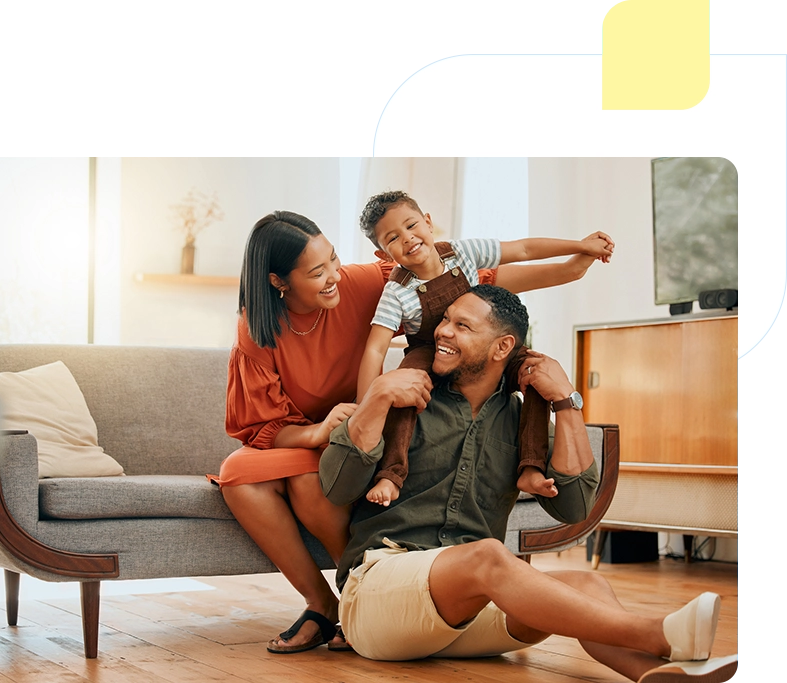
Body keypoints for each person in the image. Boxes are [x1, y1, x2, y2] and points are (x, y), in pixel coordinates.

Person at [214, 210, 616, 655]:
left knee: (587, 586)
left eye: (334, 260)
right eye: (317, 272)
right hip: (334, 430)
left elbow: (467, 282)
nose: (333, 277)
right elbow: (261, 426)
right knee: (243, 473)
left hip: (369, 431)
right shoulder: (258, 330)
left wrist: (571, 268)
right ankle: (328, 601)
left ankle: (667, 656)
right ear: (278, 282)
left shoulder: (366, 283)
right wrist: (345, 418)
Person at [319, 284, 738, 683]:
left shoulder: (525, 426)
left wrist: (566, 402)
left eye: (462, 326)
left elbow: (574, 510)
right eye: (445, 320)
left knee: (588, 584)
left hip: (468, 614)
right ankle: (658, 634)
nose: (443, 331)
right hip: (379, 596)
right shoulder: (404, 397)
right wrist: (375, 398)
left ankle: (653, 674)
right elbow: (337, 488)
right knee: (489, 556)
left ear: (503, 347)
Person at [356, 190, 613, 506]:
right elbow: (374, 350)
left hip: (482, 339)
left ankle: (531, 467)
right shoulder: (396, 292)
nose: (408, 239)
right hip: (429, 349)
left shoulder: (462, 253)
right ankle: (391, 474)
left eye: (411, 226)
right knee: (404, 389)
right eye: (393, 238)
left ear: (428, 221)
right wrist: (365, 406)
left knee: (536, 371)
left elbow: (523, 248)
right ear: (383, 255)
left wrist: (580, 246)